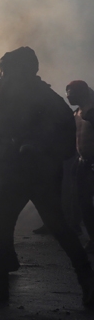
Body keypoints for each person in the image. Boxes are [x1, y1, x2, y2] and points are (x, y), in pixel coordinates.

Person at [0, 47, 93, 307]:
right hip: (44, 171)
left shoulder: (19, 95)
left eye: (6, 70)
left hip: (20, 170)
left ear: (18, 70)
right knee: (59, 226)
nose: (3, 75)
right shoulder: (49, 96)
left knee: (3, 223)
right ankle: (88, 281)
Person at [66, 80, 94, 254]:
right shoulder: (76, 113)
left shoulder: (92, 111)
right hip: (83, 161)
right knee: (84, 203)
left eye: (71, 93)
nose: (69, 97)